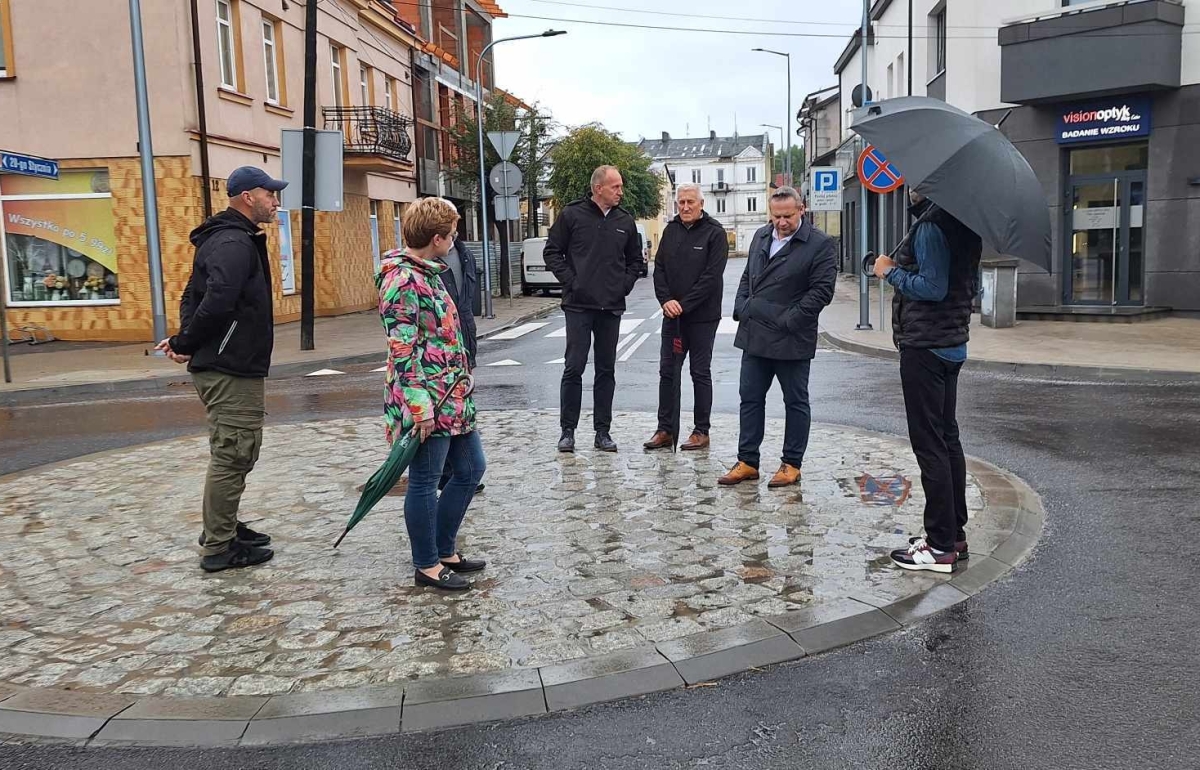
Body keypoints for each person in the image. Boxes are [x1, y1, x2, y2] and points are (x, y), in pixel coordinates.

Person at [155, 166, 286, 573]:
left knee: (235, 451)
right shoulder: (232, 241)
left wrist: (185, 341)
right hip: (230, 365)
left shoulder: (230, 237)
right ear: (248, 196)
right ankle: (219, 546)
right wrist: (185, 343)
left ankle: (225, 524)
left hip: (229, 360)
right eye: (270, 194)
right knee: (234, 453)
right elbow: (215, 300)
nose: (275, 201)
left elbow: (190, 293)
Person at [379, 197, 486, 591]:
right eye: (453, 233)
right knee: (424, 480)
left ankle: (444, 549)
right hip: (426, 399)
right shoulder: (403, 279)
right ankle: (426, 564)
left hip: (451, 393)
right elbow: (402, 348)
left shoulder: (429, 272)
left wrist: (462, 371)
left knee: (472, 469)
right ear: (437, 239)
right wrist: (419, 407)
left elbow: (440, 334)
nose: (455, 239)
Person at [874, 189, 982, 574]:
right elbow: (971, 288)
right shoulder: (965, 221)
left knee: (930, 444)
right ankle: (953, 534)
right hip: (951, 342)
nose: (909, 186)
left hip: (927, 346)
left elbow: (932, 288)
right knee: (947, 438)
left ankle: (939, 545)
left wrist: (890, 272)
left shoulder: (932, 226)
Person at [719, 187, 836, 489]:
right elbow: (748, 276)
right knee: (750, 399)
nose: (781, 222)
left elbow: (821, 292)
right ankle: (747, 461)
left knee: (795, 402)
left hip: (791, 338)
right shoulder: (761, 235)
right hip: (755, 332)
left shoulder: (820, 244)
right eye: (776, 216)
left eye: (787, 216)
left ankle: (791, 464)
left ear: (801, 210)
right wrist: (741, 307)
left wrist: (789, 320)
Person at [544, 165, 644, 454]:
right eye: (615, 187)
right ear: (598, 187)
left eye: (621, 186)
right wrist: (571, 282)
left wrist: (622, 285)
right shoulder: (572, 215)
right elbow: (552, 251)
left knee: (606, 370)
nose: (620, 192)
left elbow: (636, 262)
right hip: (578, 305)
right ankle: (567, 431)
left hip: (610, 307)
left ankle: (603, 432)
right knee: (574, 367)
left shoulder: (625, 221)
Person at [643, 184, 728, 452]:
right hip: (673, 318)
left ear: (701, 203)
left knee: (699, 372)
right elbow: (660, 270)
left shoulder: (715, 233)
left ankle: (701, 431)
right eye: (681, 202)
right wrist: (665, 300)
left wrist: (683, 304)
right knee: (667, 372)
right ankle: (665, 429)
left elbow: (711, 279)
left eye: (691, 202)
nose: (686, 207)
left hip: (703, 317)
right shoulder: (671, 231)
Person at [432, 234, 485, 495]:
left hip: (463, 334)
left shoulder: (464, 253)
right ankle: (446, 473)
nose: (454, 230)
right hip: (438, 361)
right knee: (444, 412)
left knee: (462, 405)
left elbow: (466, 296)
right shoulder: (424, 263)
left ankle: (460, 471)